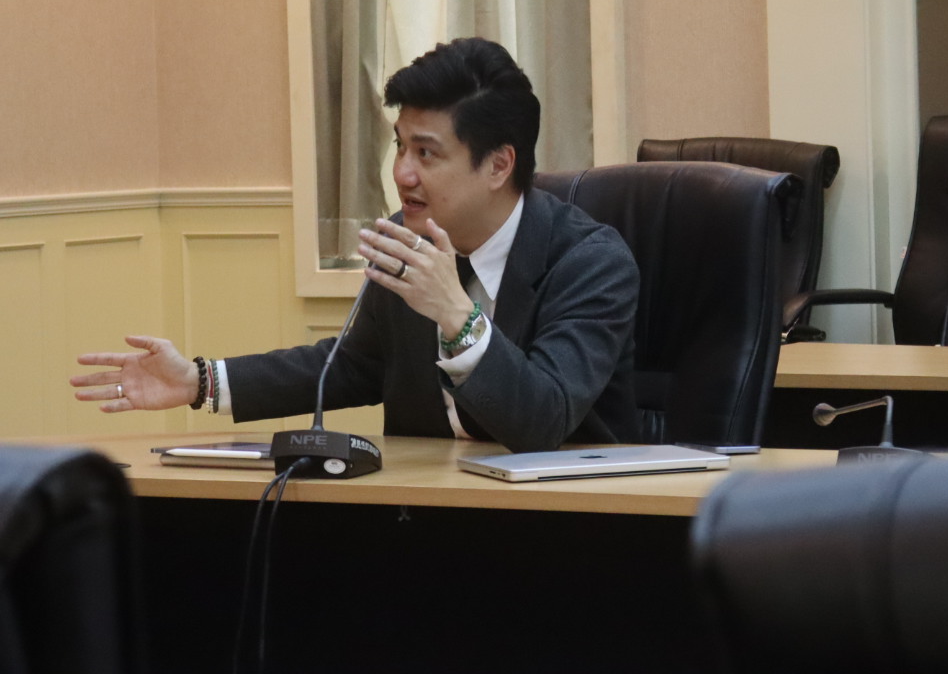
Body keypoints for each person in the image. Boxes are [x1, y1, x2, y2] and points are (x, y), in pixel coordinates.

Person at [71, 38, 639, 453]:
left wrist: (456, 315)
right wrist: (201, 381)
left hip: (571, 530)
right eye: (400, 147)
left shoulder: (590, 262)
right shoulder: (406, 241)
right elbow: (350, 366)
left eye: (426, 153)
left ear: (498, 165)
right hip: (432, 515)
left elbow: (543, 420)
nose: (402, 173)